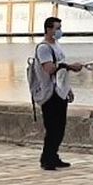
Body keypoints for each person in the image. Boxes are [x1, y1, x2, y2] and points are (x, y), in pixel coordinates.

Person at [31, 16, 85, 170]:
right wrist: (69, 67)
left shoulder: (57, 46)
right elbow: (49, 69)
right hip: (49, 93)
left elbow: (61, 74)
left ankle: (53, 156)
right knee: (52, 128)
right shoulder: (44, 48)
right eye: (57, 28)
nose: (59, 31)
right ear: (49, 29)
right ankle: (46, 159)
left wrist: (68, 89)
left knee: (60, 127)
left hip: (60, 91)